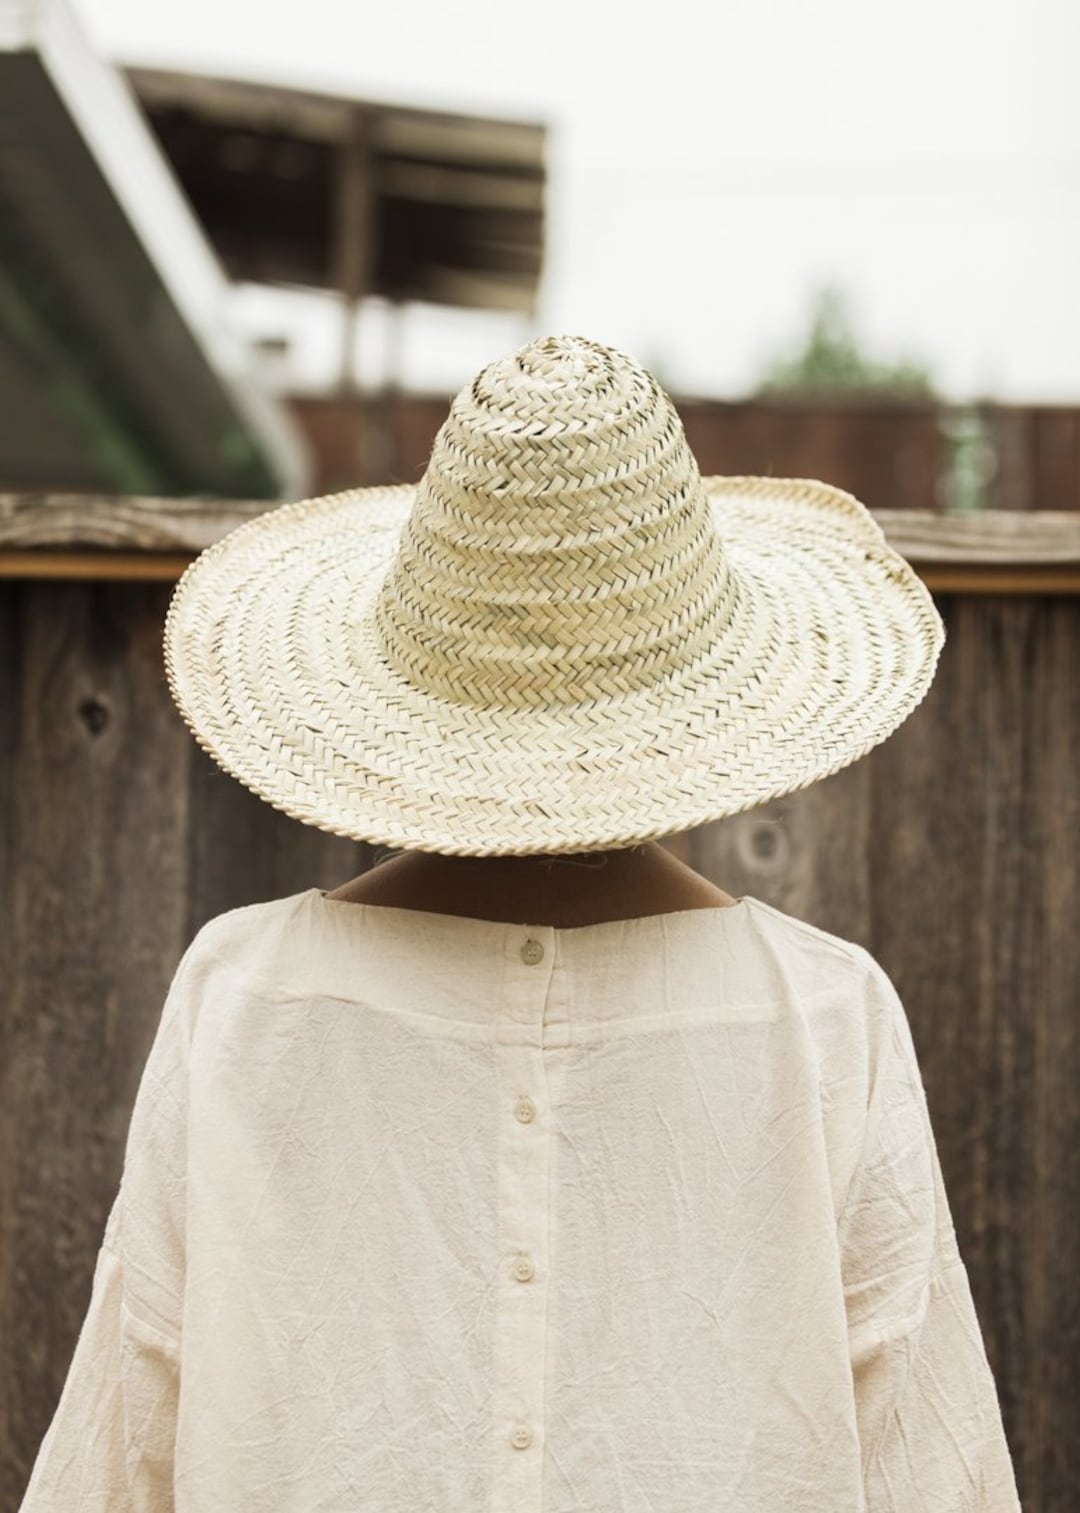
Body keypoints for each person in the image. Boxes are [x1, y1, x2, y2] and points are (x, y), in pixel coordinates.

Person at [19, 335, 1021, 1510]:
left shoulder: (244, 995)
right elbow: (927, 1463)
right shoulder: (825, 1016)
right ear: (705, 699)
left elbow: (125, 1447)